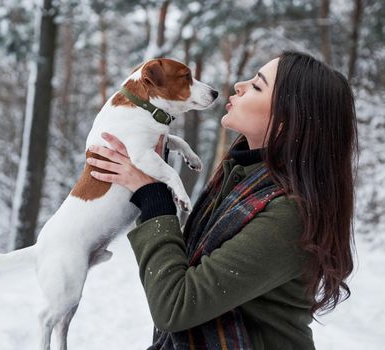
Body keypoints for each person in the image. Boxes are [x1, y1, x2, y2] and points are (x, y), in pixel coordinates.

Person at [87, 50, 358, 349]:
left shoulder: (289, 214)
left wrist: (153, 197)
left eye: (257, 86)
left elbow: (176, 306)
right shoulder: (241, 177)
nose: (239, 85)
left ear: (286, 119)